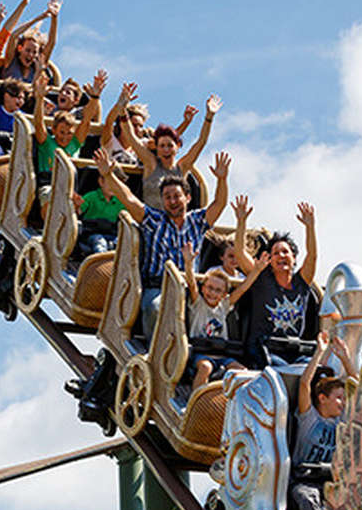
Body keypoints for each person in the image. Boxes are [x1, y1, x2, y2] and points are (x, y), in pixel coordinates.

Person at [95, 148, 230, 337]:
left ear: (187, 198)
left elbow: (220, 204)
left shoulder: (197, 221)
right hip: (157, 286)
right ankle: (156, 355)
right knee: (154, 308)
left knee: (210, 313)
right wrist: (109, 175)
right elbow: (129, 198)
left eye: (177, 196)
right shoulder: (154, 220)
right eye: (167, 197)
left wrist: (222, 179)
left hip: (187, 288)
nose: (173, 201)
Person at [288, 305, 362, 510]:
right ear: (322, 398)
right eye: (339, 398)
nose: (343, 402)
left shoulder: (342, 420)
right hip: (305, 479)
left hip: (333, 480)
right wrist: (320, 352)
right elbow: (304, 384)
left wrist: (345, 357)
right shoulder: (309, 417)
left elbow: (361, 392)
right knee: (307, 497)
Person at [232, 194, 321, 366]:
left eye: (285, 252)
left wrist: (310, 227)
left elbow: (313, 256)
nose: (281, 256)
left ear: (294, 258)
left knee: (314, 370)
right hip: (265, 349)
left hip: (294, 350)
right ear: (270, 261)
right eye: (276, 253)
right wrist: (241, 221)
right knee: (281, 369)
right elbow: (240, 253)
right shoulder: (262, 279)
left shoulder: (301, 282)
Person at [182, 241, 260, 387]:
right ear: (203, 288)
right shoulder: (198, 303)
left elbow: (242, 289)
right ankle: (197, 402)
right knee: (206, 368)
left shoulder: (224, 305)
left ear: (224, 294)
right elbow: (192, 284)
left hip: (223, 355)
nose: (212, 293)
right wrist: (188, 263)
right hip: (201, 353)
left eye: (218, 291)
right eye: (210, 288)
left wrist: (256, 271)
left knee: (243, 371)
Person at [123, 94, 222, 208]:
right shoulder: (151, 163)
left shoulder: (182, 167)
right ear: (156, 147)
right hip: (152, 221)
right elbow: (130, 136)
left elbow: (201, 141)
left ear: (177, 146)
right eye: (162, 146)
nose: (166, 150)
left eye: (170, 146)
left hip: (174, 221)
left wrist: (209, 117)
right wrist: (122, 111)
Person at [34, 66, 103, 214]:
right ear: (54, 131)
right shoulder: (47, 142)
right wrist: (39, 98)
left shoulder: (74, 143)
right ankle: (48, 228)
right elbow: (39, 123)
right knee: (50, 197)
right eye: (61, 132)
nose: (65, 137)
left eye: (68, 133)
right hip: (49, 185)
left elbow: (86, 121)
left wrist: (95, 97)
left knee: (79, 202)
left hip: (69, 186)